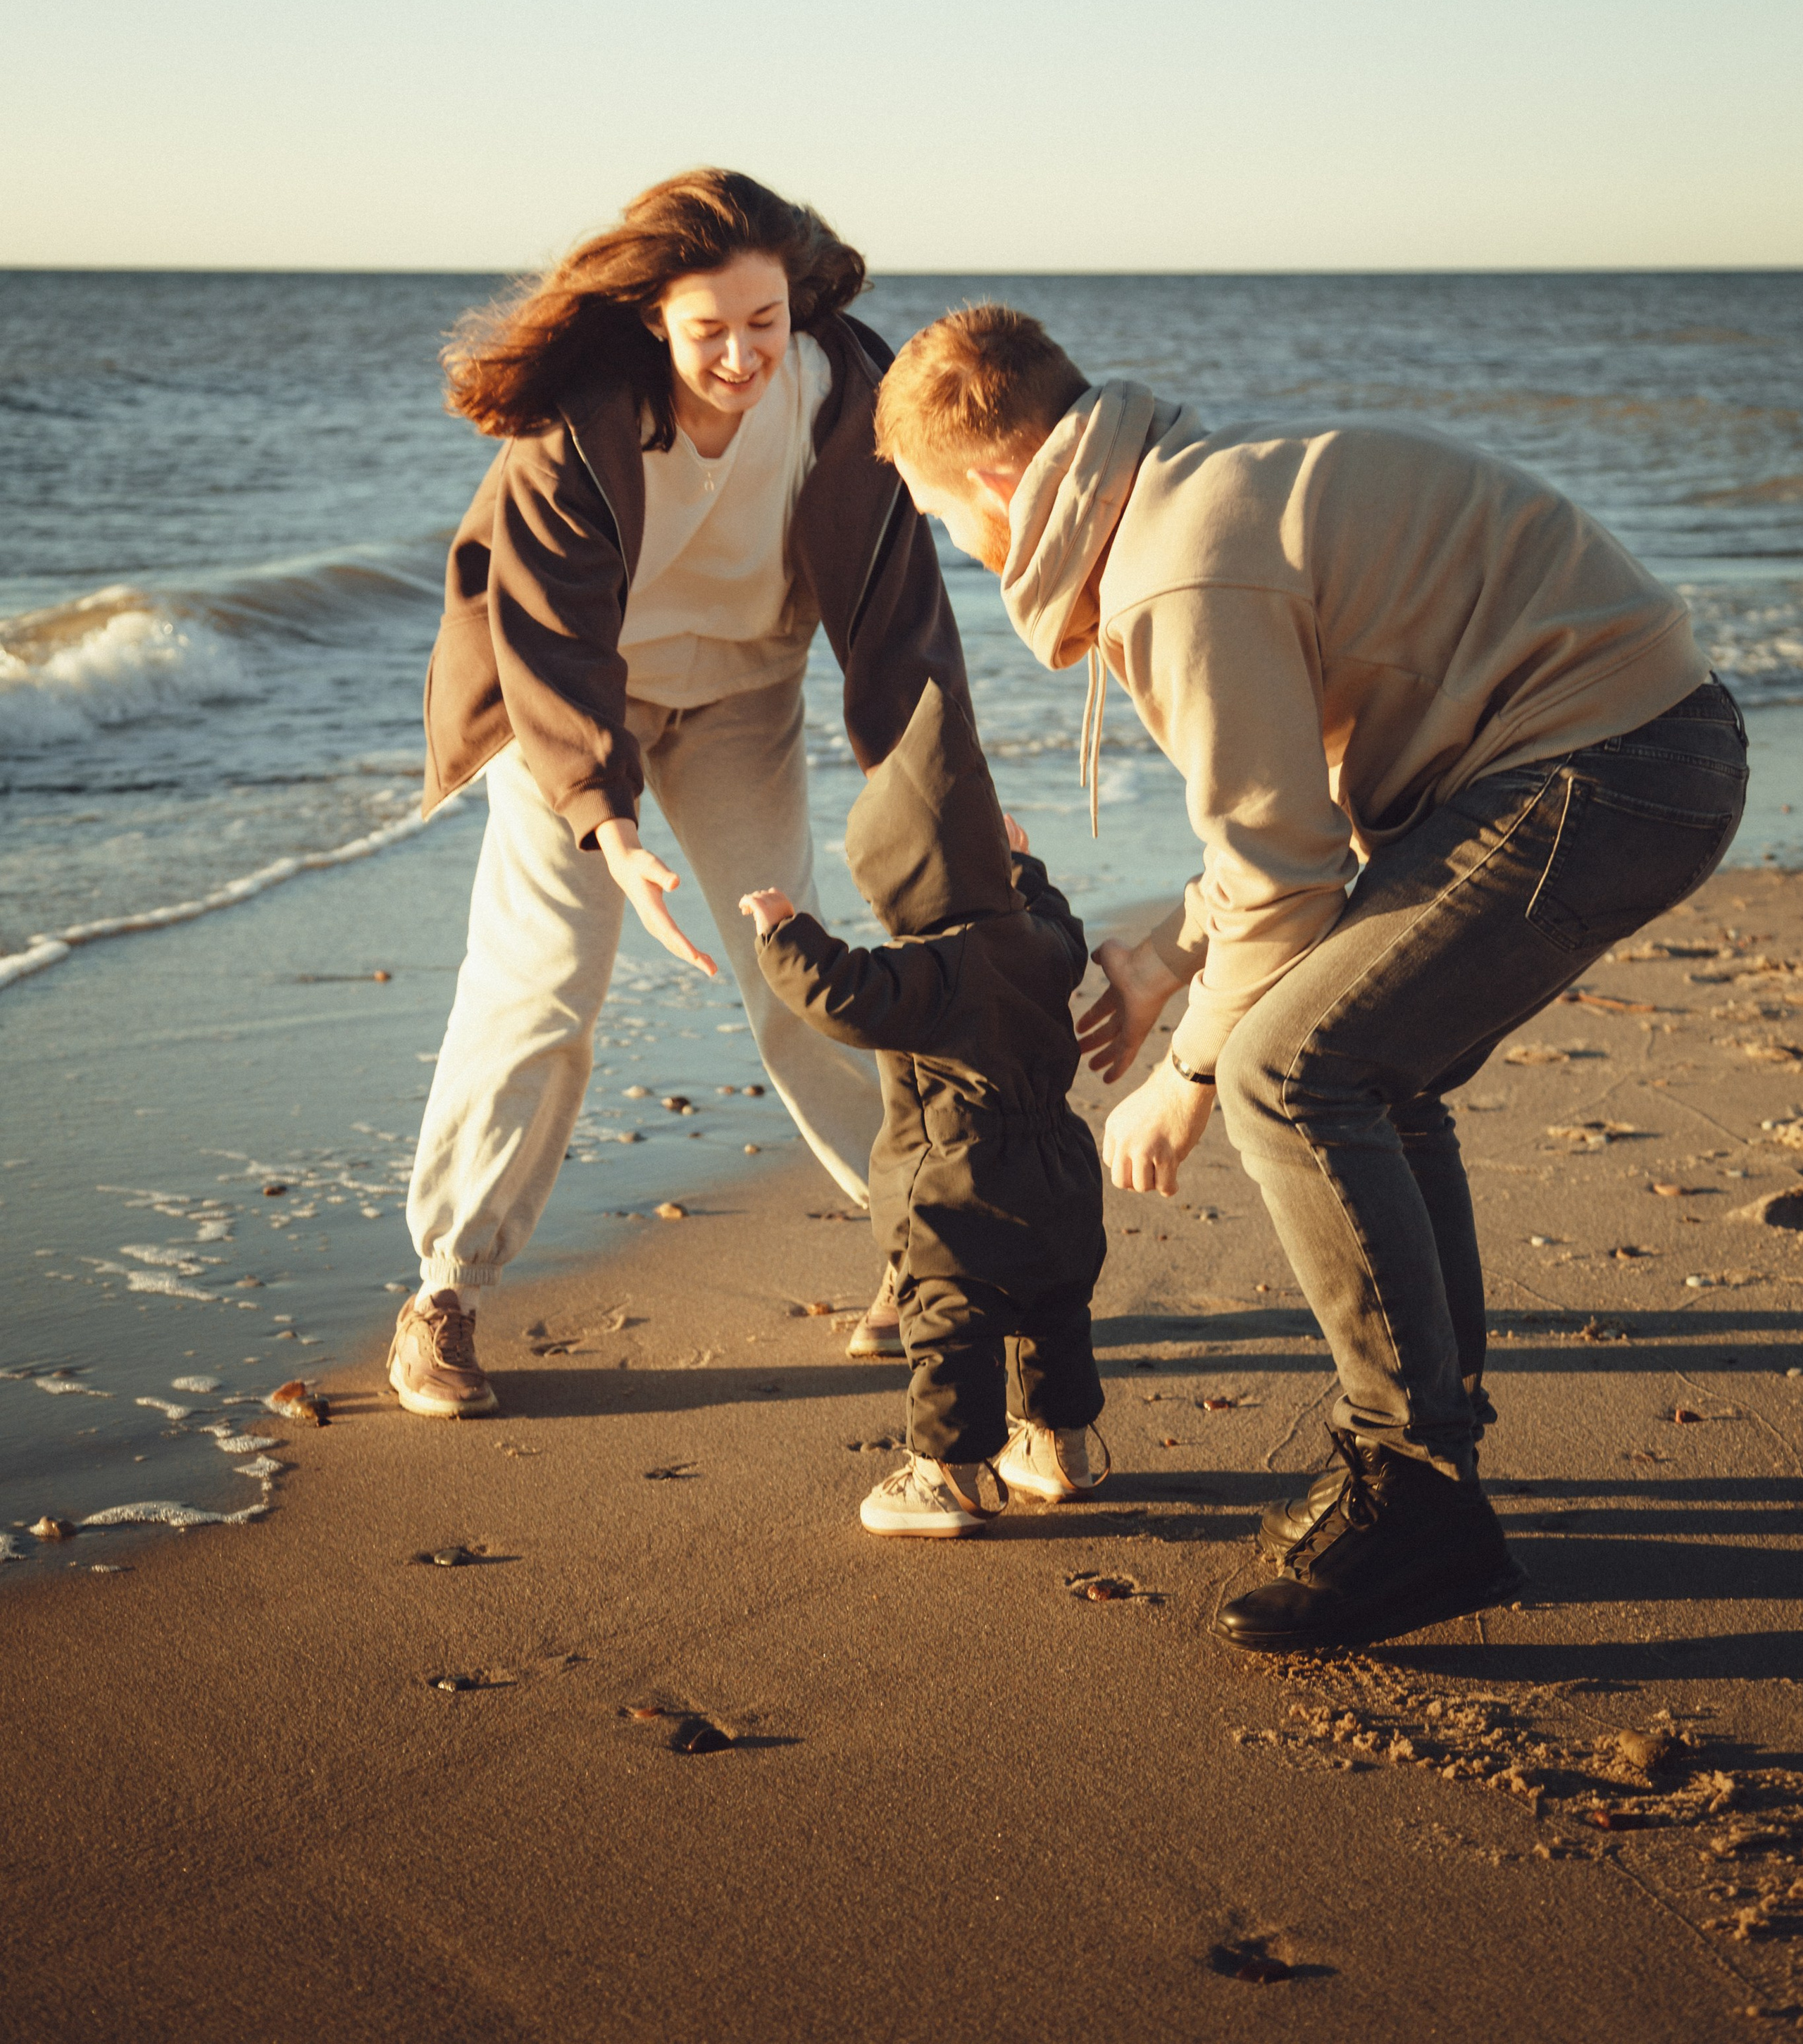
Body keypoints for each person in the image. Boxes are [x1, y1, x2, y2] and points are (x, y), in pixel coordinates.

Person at [870, 303, 1749, 1647]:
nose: (955, 546)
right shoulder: (1186, 489)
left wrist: (1183, 1074)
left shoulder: (1179, 566)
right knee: (1375, 1069)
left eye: (939, 516)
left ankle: (1416, 1486)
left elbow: (1283, 888)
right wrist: (1166, 956)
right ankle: (1424, 1447)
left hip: (1608, 763)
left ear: (996, 480)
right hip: (1627, 746)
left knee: (1295, 1069)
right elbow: (1291, 834)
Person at [388, 170, 966, 1419]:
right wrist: (607, 819)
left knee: (796, 969)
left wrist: (943, 793)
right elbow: (542, 640)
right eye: (713, 330)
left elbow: (895, 610)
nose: (746, 353)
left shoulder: (840, 393)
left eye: (767, 320)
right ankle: (444, 1294)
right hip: (572, 715)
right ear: (655, 315)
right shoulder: (575, 423)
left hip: (744, 701)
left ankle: (925, 1250)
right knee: (541, 987)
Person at [741, 679, 1108, 1538]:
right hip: (1059, 1175)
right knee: (1057, 1315)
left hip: (959, 1186)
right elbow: (1062, 918)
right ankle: (1066, 1451)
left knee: (951, 1324)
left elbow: (842, 994)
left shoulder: (930, 970)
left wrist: (782, 933)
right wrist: (1024, 867)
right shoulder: (1040, 942)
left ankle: (948, 1475)